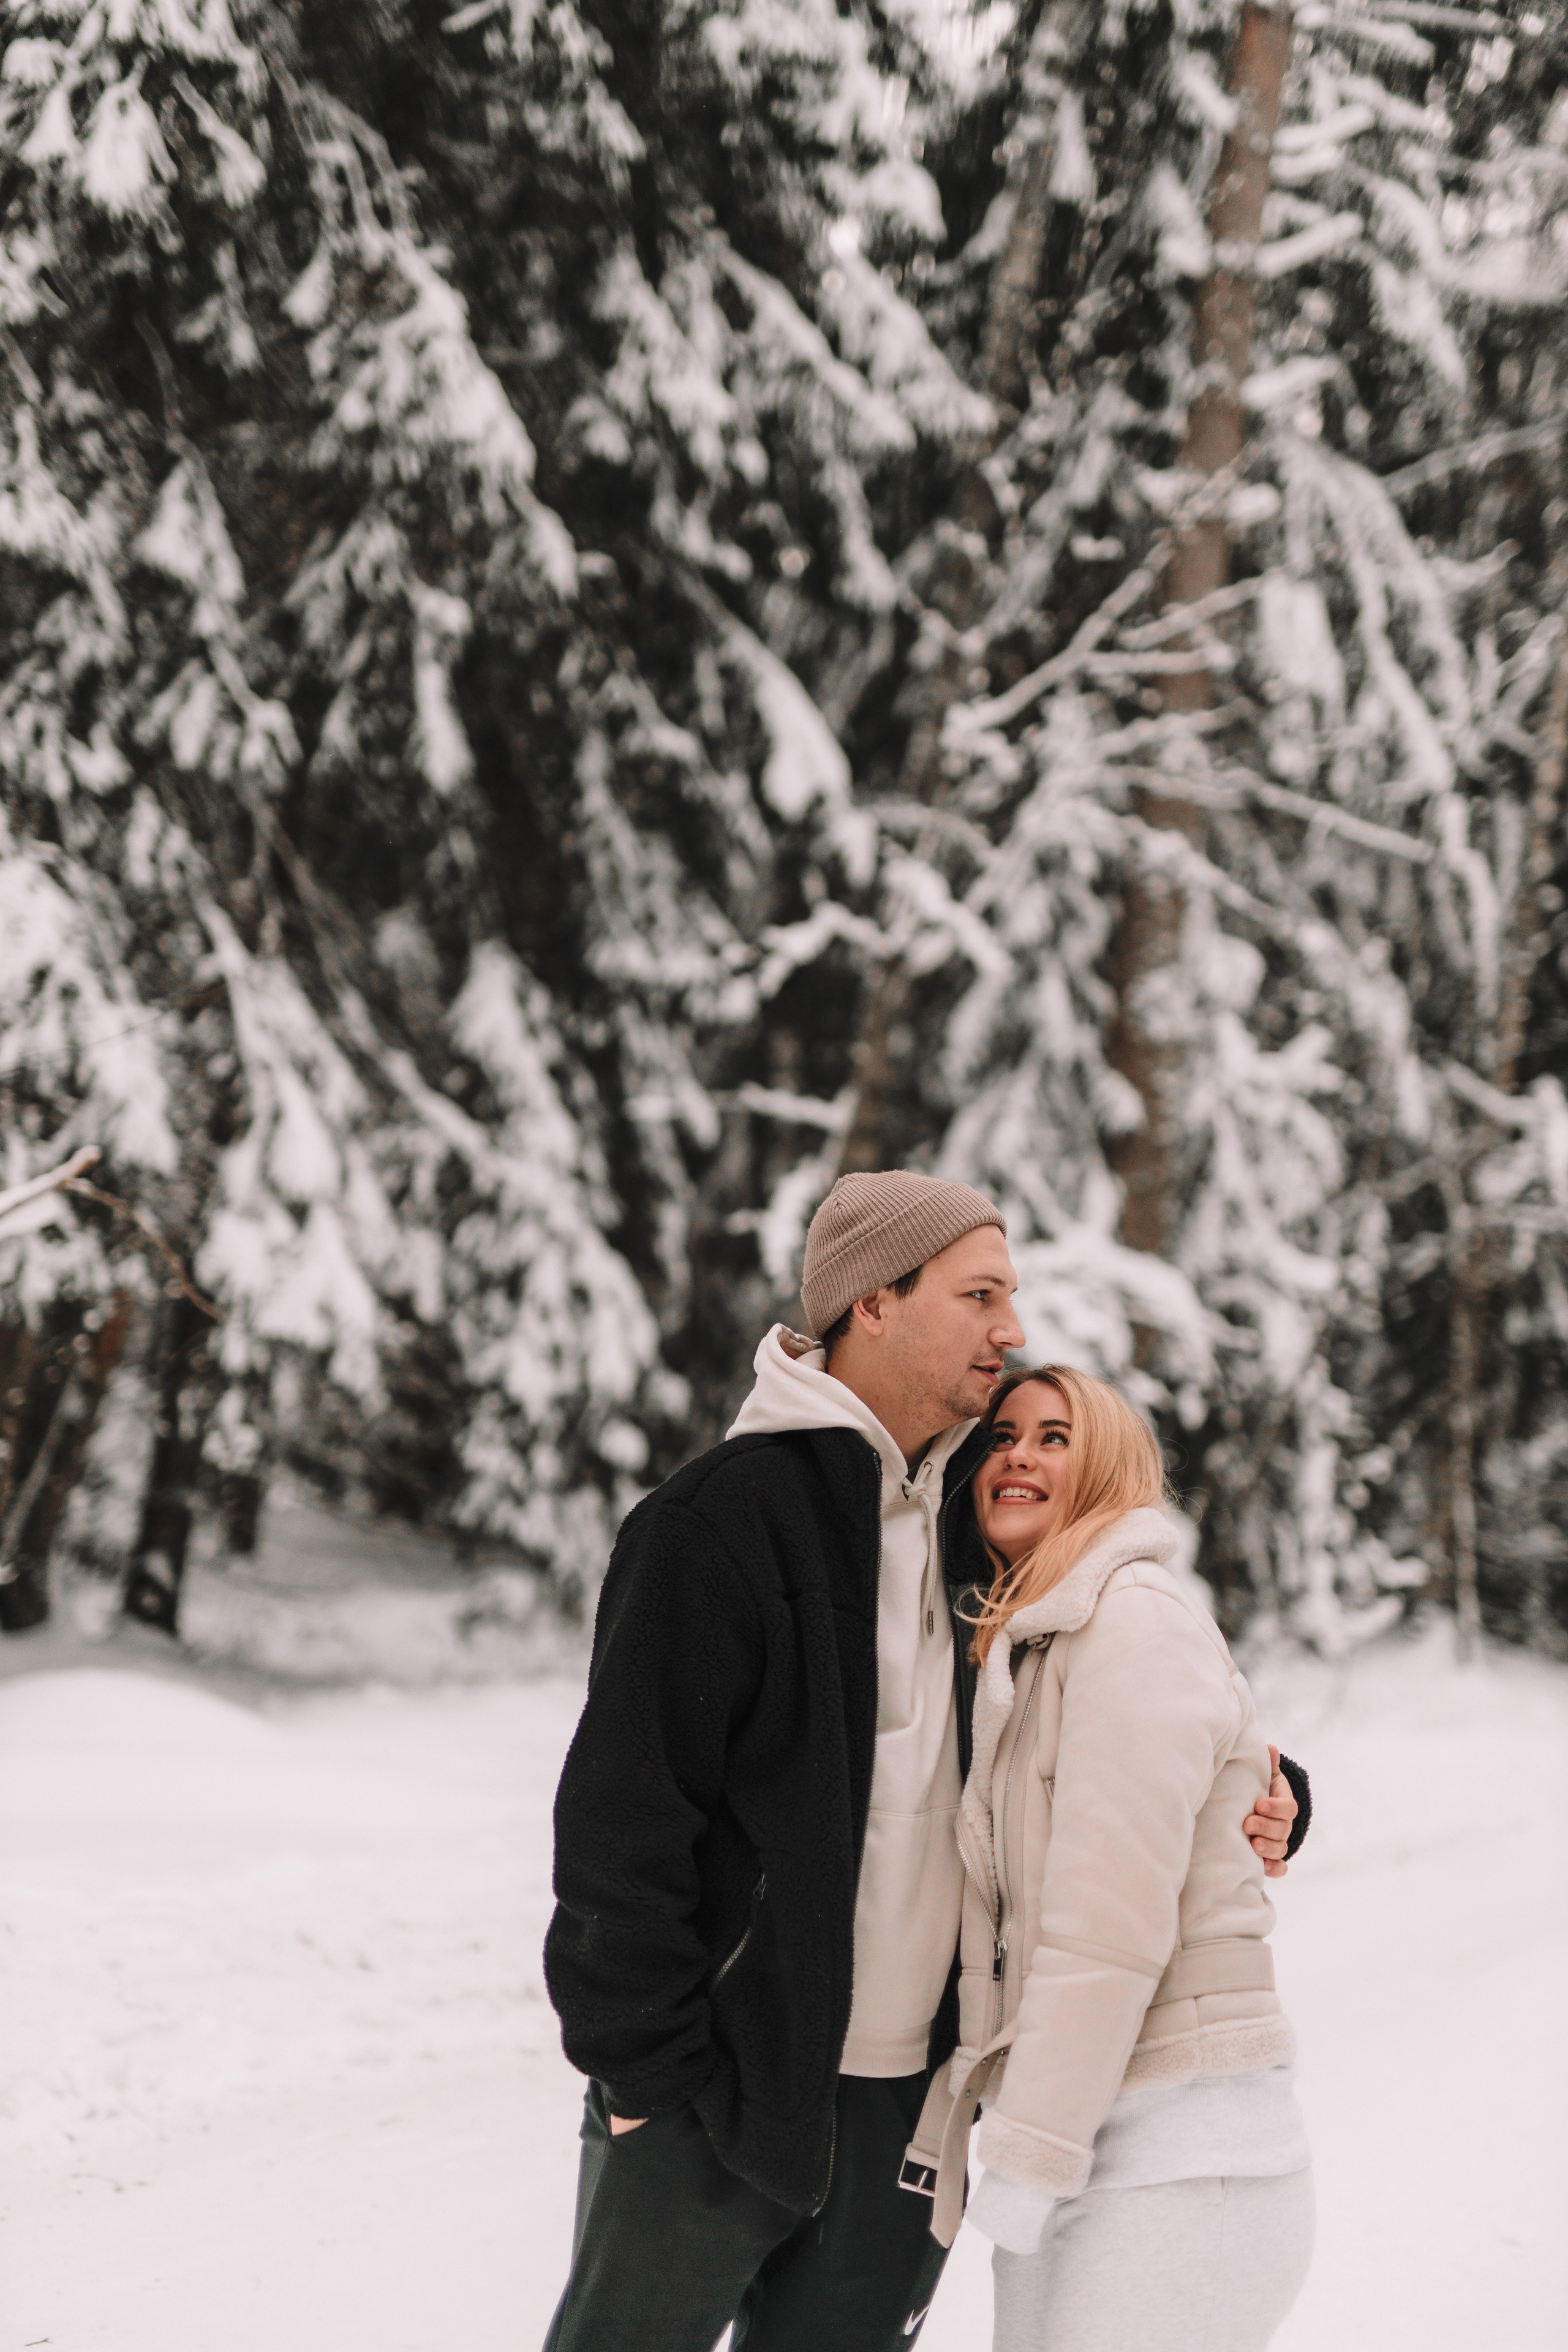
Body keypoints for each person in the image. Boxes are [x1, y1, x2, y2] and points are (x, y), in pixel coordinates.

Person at [541, 1171, 1308, 2352]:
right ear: (873, 1304)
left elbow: (1119, 1708)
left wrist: (1268, 1784)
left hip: (912, 2115)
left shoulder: (982, 1526)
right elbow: (620, 1823)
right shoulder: (716, 1526)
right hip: (719, 2094)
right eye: (980, 1294)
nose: (1011, 1328)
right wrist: (644, 2079)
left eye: (1012, 1296)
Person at [903, 1364, 1314, 2352]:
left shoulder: (1130, 1623)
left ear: (1111, 1469)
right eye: (1003, 1436)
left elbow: (1109, 1929)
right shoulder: (1041, 1639)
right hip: (1108, 2144)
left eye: (1056, 1437)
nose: (1018, 1456)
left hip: (1181, 2156)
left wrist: (1032, 2152)